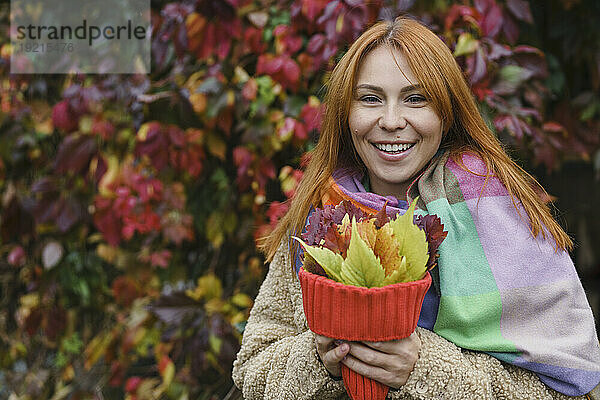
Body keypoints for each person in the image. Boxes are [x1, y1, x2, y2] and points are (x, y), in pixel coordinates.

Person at [232, 16, 600, 399]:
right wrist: (319, 358)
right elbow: (253, 368)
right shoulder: (323, 213)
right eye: (370, 98)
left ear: (446, 111)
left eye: (416, 98)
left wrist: (423, 368)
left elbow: (570, 391)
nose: (391, 121)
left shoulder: (494, 212)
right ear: (346, 112)